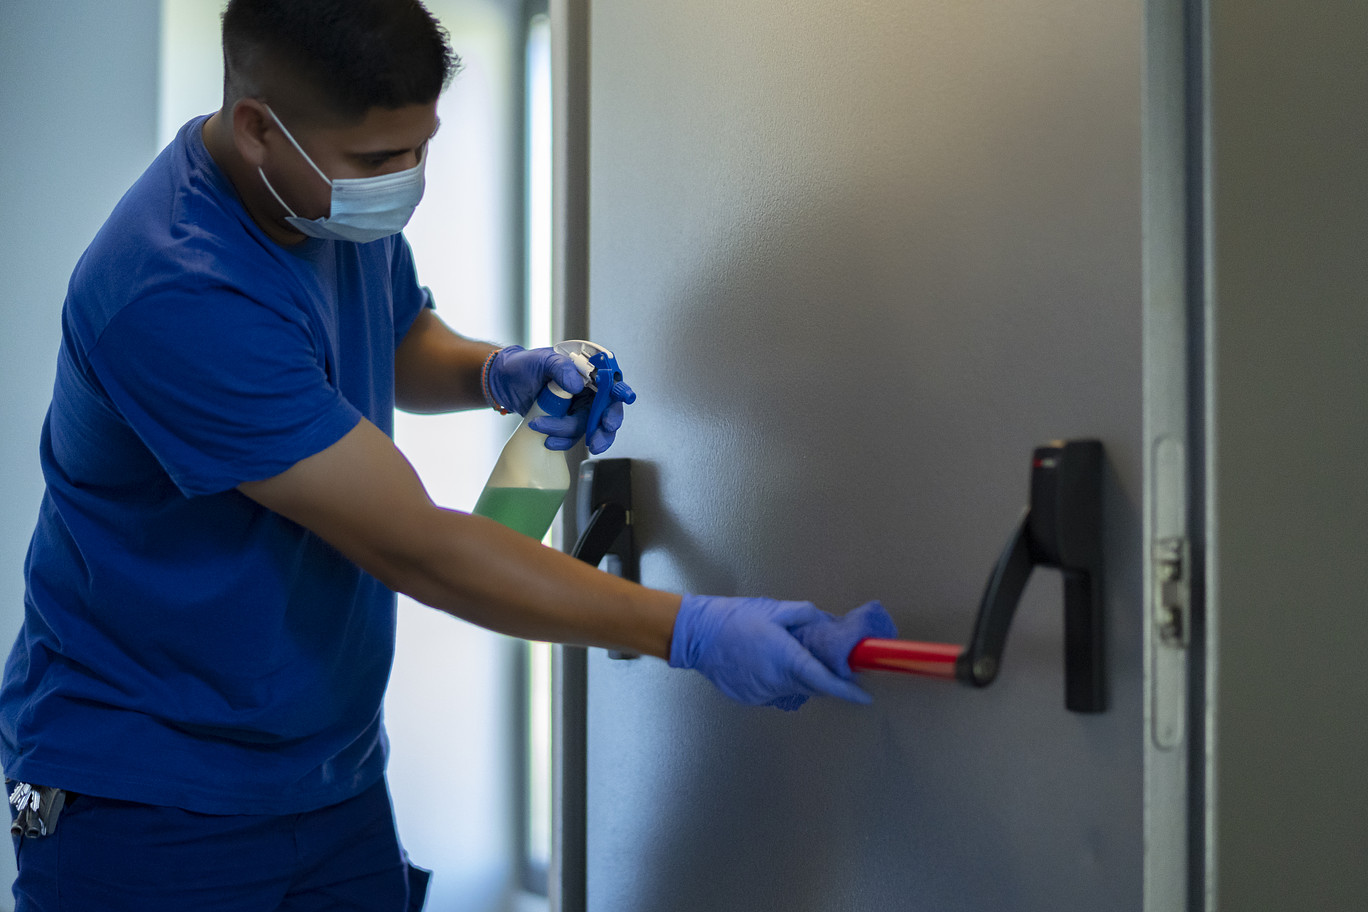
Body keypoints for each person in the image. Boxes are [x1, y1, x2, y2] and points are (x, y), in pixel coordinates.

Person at [0, 1, 896, 909]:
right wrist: (689, 631)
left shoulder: (318, 202)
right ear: (258, 129)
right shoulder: (173, 288)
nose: (407, 180)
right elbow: (419, 547)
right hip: (143, 800)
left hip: (327, 772)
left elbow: (397, 337)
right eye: (380, 161)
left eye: (421, 146)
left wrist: (498, 372)